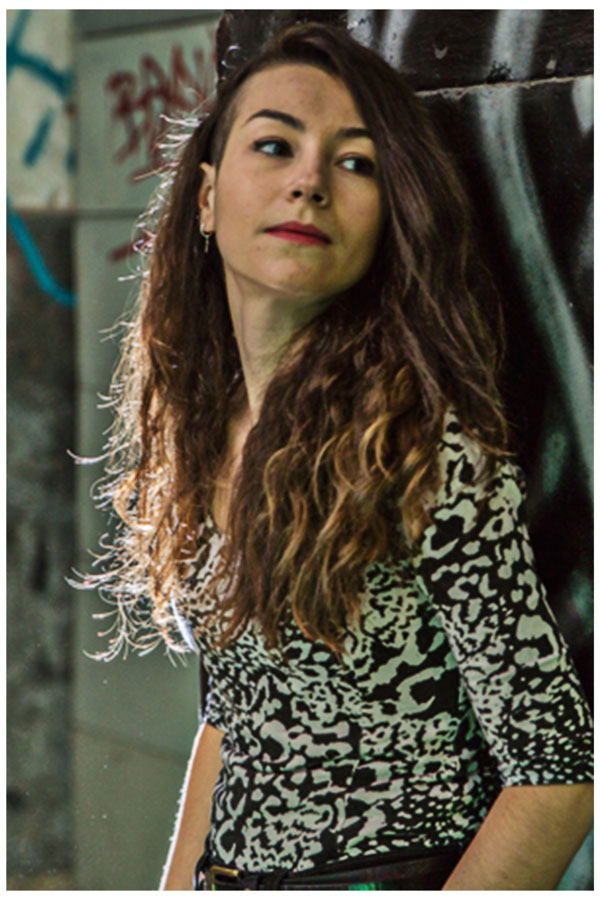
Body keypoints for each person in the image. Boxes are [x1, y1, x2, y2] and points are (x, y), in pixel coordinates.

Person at [84, 21, 593, 891]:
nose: (309, 181)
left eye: (355, 162)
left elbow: (557, 774)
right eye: (274, 145)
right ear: (205, 198)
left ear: (387, 220)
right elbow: (231, 715)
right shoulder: (203, 427)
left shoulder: (419, 448)